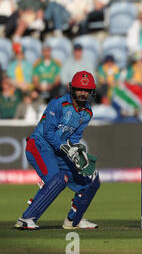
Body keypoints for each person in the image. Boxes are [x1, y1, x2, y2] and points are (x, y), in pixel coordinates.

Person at [15, 71, 100, 230]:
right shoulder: (59, 104)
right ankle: (26, 219)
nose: (82, 93)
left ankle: (74, 220)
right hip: (39, 145)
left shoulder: (87, 113)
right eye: (79, 89)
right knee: (58, 179)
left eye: (86, 90)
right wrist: (65, 147)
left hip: (60, 151)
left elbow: (74, 137)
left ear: (91, 92)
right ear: (71, 89)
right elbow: (48, 133)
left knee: (89, 181)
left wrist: (74, 151)